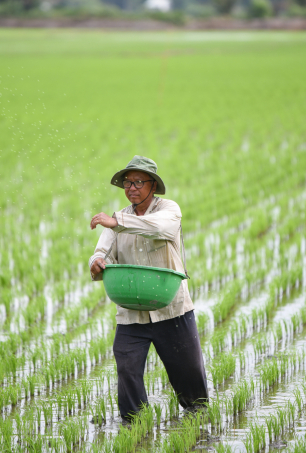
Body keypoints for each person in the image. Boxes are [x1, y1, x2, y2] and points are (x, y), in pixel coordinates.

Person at [89, 155, 209, 422]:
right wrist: (97, 263)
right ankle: (135, 427)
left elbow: (159, 229)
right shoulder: (116, 221)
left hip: (172, 309)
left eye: (138, 182)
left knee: (190, 381)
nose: (131, 188)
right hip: (131, 311)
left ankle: (199, 428)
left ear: (153, 185)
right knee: (127, 369)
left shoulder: (169, 210)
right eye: (127, 183)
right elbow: (101, 252)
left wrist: (118, 223)